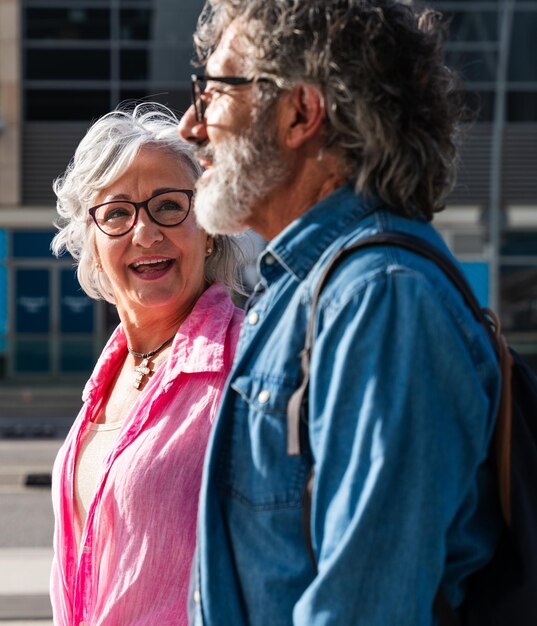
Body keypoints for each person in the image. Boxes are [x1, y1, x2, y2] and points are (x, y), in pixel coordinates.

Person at [177, 2, 502, 625]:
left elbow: (366, 608)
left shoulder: (381, 299)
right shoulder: (297, 288)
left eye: (216, 91)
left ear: (301, 112)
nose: (193, 124)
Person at [49, 103, 244, 626]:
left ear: (210, 227)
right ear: (91, 243)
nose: (144, 233)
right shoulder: (107, 378)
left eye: (168, 206)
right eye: (116, 213)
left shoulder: (249, 364)